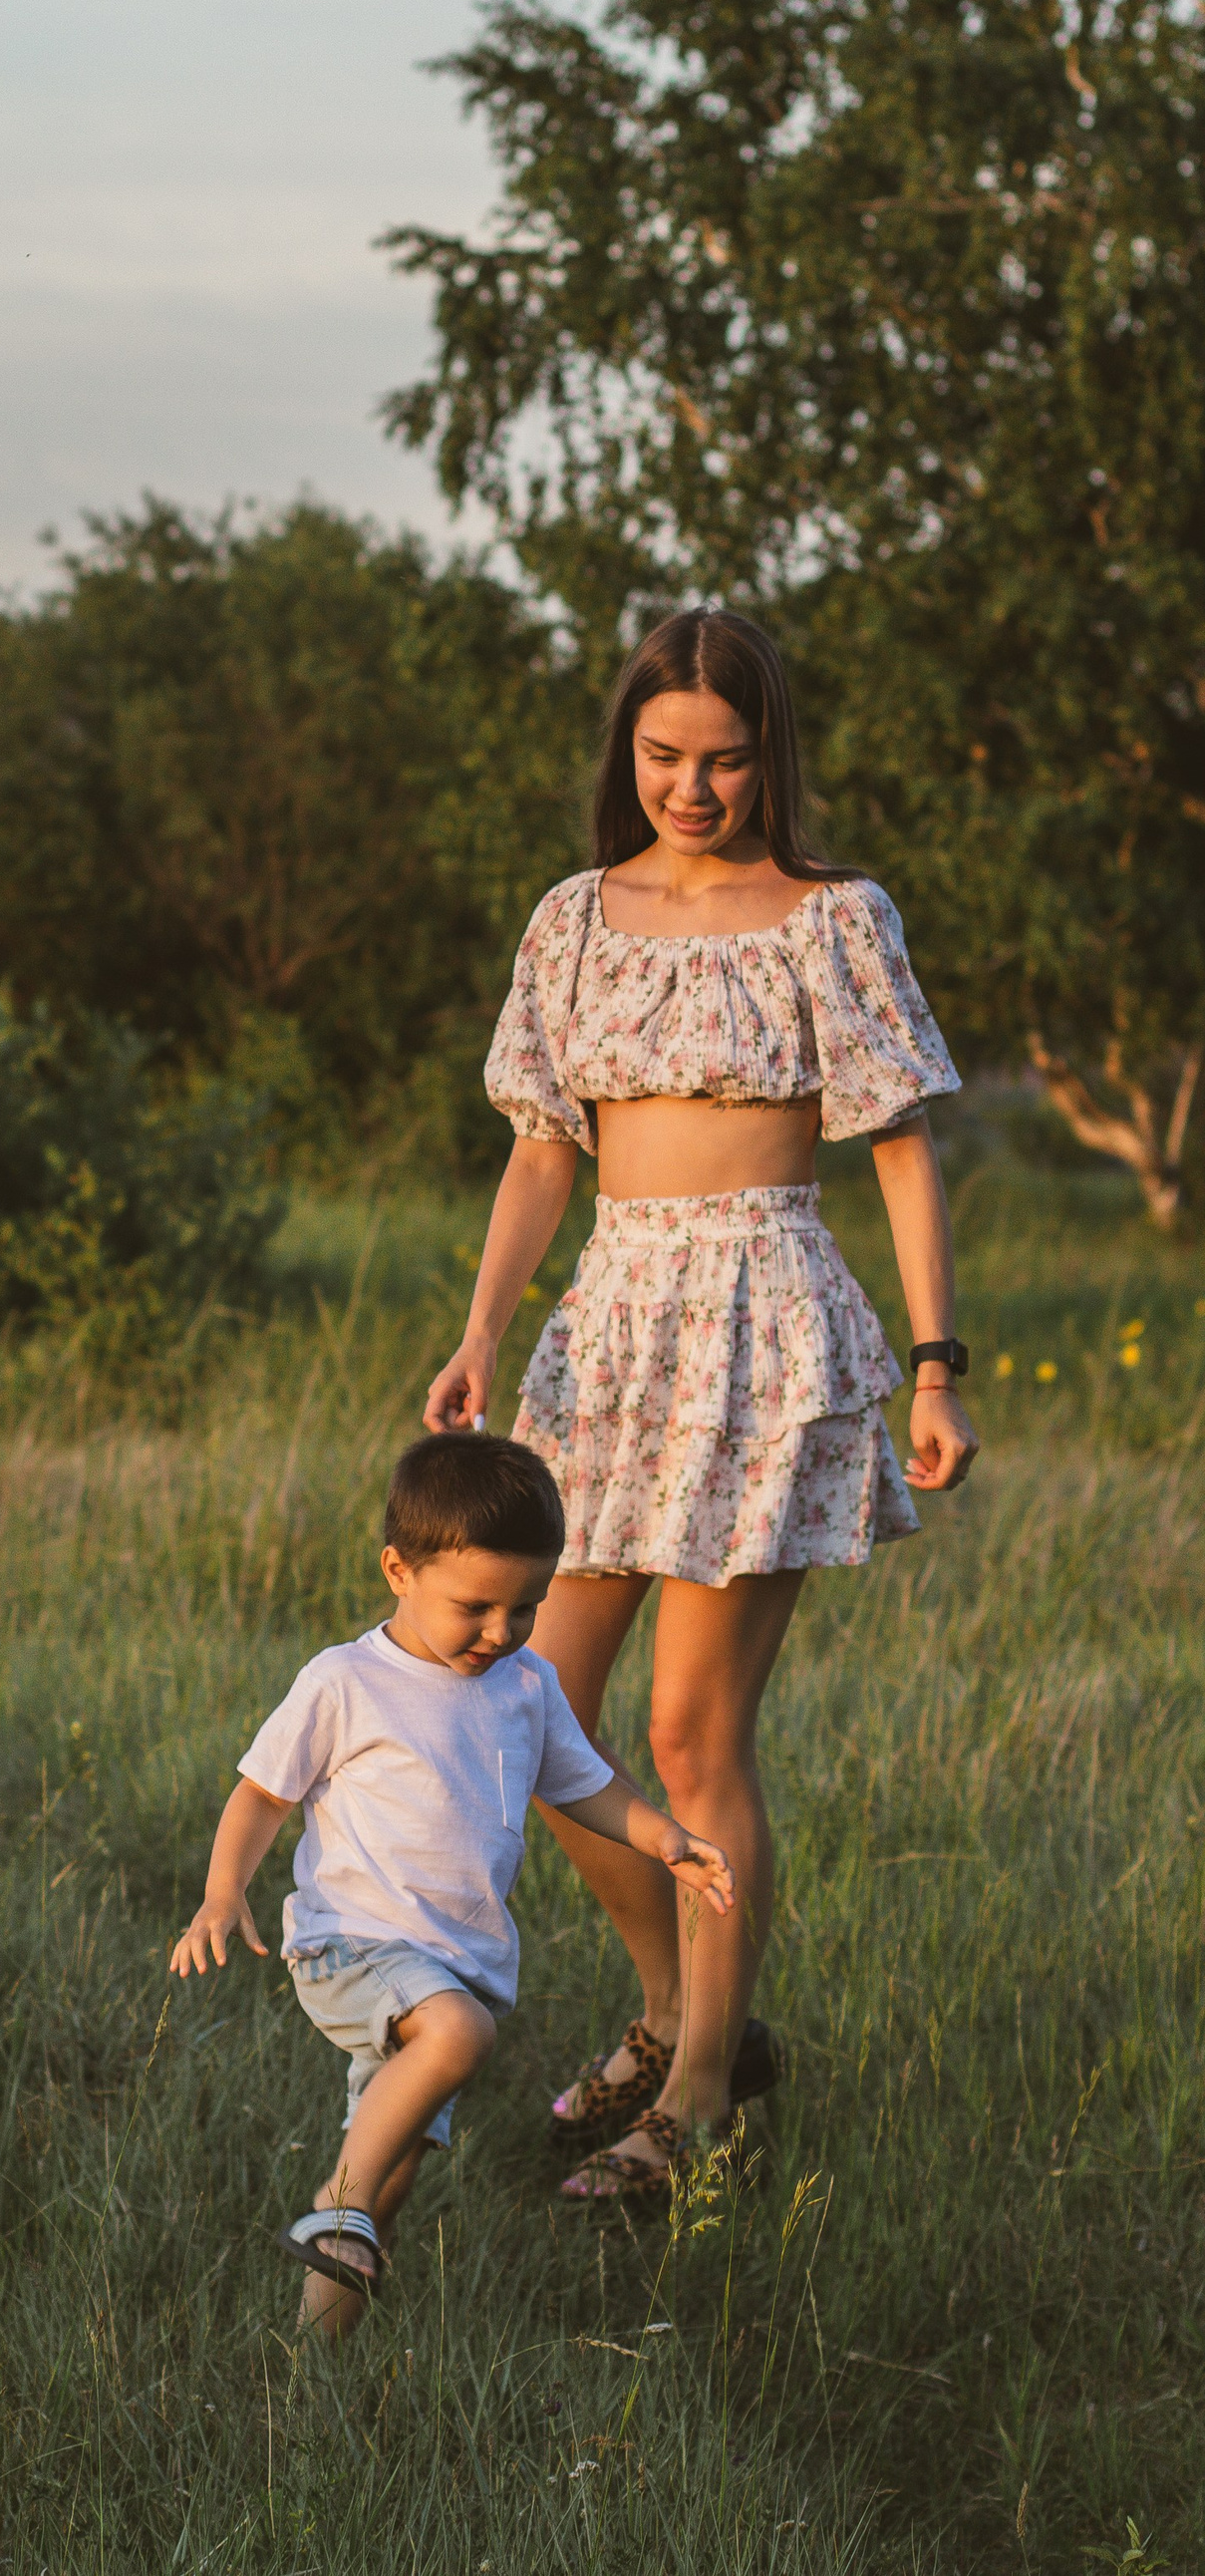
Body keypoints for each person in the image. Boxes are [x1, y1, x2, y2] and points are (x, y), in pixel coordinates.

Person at [423, 604, 981, 2200]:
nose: (693, 786)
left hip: (767, 1322)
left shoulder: (831, 916)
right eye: (664, 755)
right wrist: (482, 1334)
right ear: (628, 752)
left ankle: (696, 2119)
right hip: (608, 1332)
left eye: (726, 759)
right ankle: (684, 2017)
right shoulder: (574, 919)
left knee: (690, 1726)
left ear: (769, 758)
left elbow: (897, 1142)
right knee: (535, 1711)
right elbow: (544, 1145)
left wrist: (937, 1364)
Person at [168, 1431, 733, 2334]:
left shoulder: (527, 1683)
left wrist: (663, 1835)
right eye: (475, 1606)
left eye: (528, 1607)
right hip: (353, 1945)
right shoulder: (347, 1681)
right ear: (399, 1570)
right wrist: (222, 1891)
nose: (501, 1632)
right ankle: (338, 2199)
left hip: (454, 1962)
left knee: (390, 2183)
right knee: (457, 2041)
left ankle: (314, 2362)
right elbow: (261, 1793)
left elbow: (584, 1785)